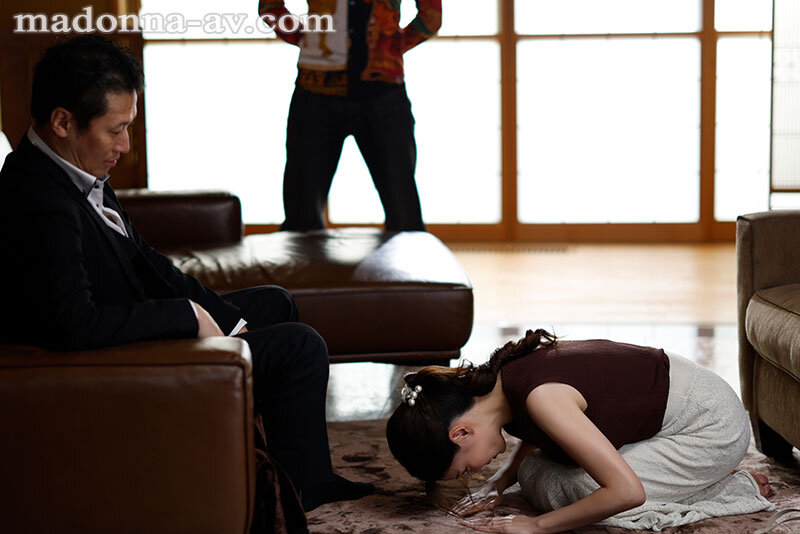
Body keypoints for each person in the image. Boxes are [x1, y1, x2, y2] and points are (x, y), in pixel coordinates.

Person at [0, 34, 372, 517]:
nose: (125, 146)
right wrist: (184, 317)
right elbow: (72, 324)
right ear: (63, 121)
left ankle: (286, 469)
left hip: (129, 323)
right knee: (300, 347)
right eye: (116, 130)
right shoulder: (37, 198)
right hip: (114, 362)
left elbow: (146, 262)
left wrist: (221, 318)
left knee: (274, 302)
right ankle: (295, 489)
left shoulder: (72, 167)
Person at [386, 329, 775, 533]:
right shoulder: (503, 386)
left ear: (460, 434)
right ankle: (688, 478)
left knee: (573, 490)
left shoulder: (542, 399)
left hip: (709, 427)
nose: (476, 471)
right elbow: (539, 436)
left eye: (464, 469)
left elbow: (627, 492)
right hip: (677, 412)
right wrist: (500, 483)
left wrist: (536, 526)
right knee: (533, 472)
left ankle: (726, 487)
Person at [258, 0, 441, 232]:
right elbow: (270, 7)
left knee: (402, 210)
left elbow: (431, 16)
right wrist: (305, 37)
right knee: (301, 214)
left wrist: (389, 46)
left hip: (381, 95)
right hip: (316, 94)